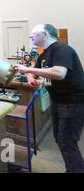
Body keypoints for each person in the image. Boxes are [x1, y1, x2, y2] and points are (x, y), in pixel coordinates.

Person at [15, 24, 84, 173]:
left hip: (73, 102)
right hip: (57, 100)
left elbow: (59, 73)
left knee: (67, 142)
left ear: (45, 34)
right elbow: (35, 70)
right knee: (60, 139)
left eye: (34, 33)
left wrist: (27, 69)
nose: (30, 36)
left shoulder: (62, 49)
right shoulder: (44, 54)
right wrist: (29, 76)